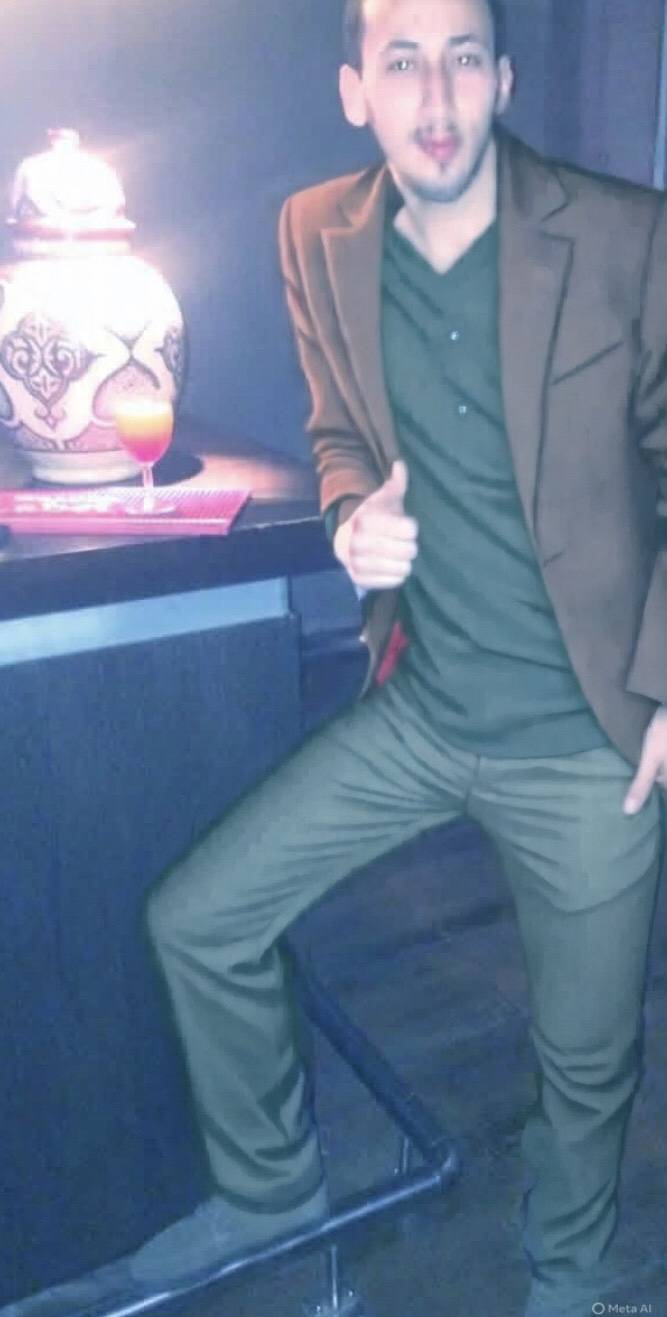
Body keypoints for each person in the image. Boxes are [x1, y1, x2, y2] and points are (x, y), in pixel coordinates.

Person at [129, 1, 667, 1313]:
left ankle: (571, 1279)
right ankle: (274, 1193)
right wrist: (346, 516)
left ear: (505, 79)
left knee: (584, 1063)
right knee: (199, 919)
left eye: (463, 57)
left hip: (589, 738)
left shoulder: (627, 237)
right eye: (402, 60)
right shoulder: (313, 232)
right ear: (354, 89)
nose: (436, 95)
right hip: (423, 709)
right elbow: (337, 431)